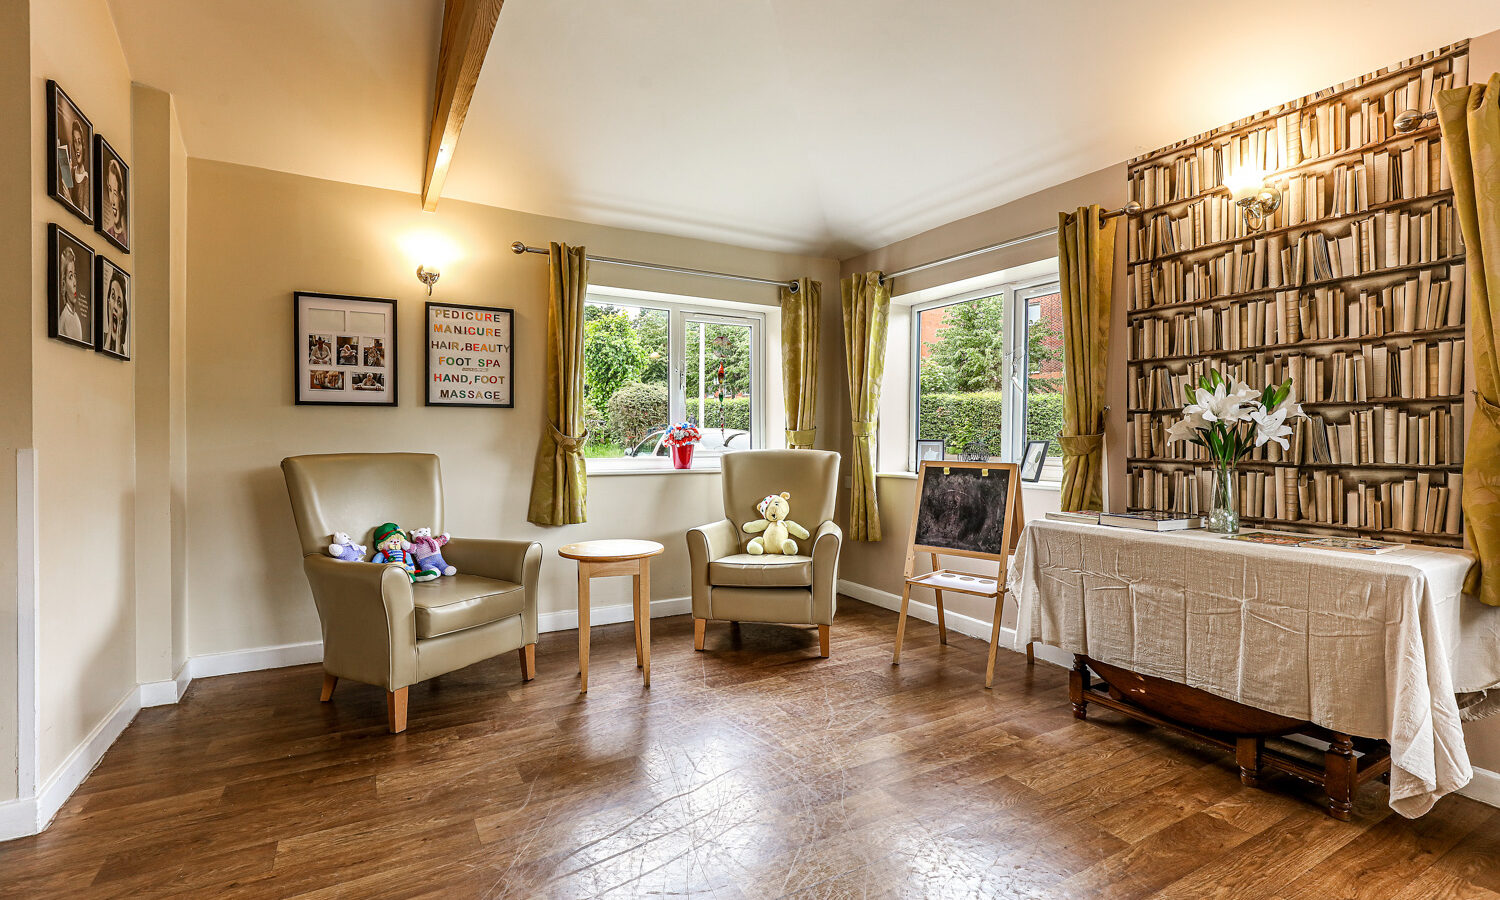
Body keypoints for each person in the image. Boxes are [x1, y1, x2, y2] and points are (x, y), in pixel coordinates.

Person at [57, 247, 86, 341]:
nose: (75, 283)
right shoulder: (64, 319)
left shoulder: (76, 318)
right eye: (70, 276)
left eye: (75, 276)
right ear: (64, 284)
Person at [101, 159, 126, 244]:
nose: (112, 201)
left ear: (121, 196)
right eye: (110, 190)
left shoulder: (125, 239)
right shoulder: (108, 232)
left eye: (115, 193)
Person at [101, 272, 127, 354]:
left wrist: (118, 348)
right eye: (113, 296)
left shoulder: (123, 352)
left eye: (119, 303)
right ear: (108, 301)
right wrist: (109, 336)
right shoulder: (101, 339)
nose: (115, 306)